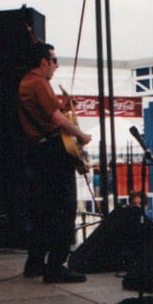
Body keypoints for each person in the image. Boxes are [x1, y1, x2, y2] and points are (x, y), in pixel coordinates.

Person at [17, 41, 92, 283]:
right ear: (43, 62)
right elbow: (56, 119)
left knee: (44, 210)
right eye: (54, 61)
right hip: (52, 151)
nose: (56, 66)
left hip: (38, 151)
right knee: (64, 208)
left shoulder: (26, 82)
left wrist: (63, 107)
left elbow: (48, 113)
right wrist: (81, 135)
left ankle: (36, 262)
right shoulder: (39, 82)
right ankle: (56, 266)